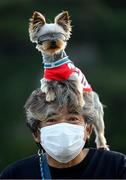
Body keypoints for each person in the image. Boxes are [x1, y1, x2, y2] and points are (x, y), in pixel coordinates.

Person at [0, 81, 126, 179]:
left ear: (88, 130)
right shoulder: (16, 175)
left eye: (72, 119)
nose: (63, 129)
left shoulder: (117, 167)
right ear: (36, 133)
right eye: (52, 120)